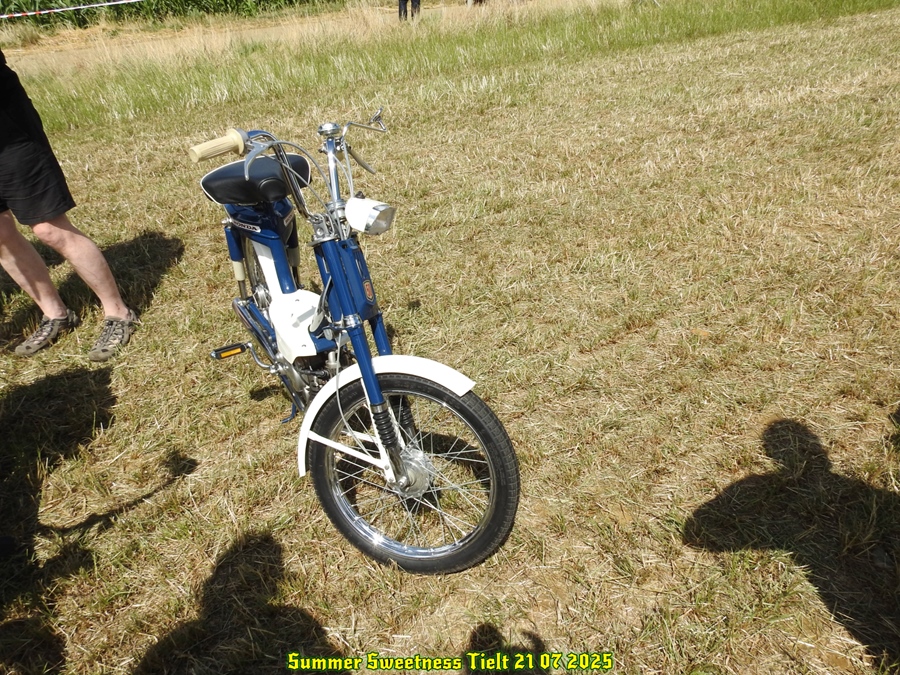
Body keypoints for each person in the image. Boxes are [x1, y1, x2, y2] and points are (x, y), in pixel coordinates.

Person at [0, 48, 136, 362]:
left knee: (49, 228)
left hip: (9, 133)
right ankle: (55, 314)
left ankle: (118, 312)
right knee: (1, 234)